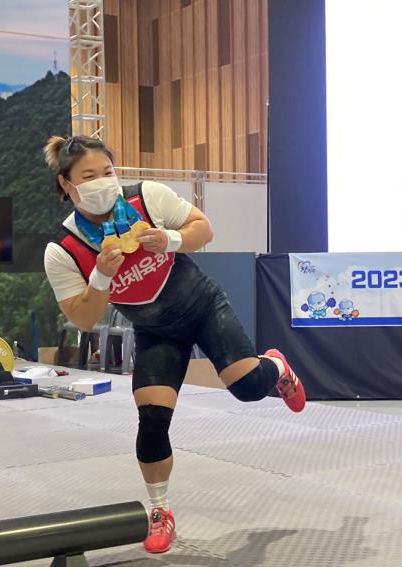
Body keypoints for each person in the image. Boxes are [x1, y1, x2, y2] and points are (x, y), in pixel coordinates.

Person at [43, 135, 306, 554]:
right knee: (151, 419)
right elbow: (84, 317)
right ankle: (160, 510)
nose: (102, 182)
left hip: (201, 305)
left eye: (107, 172)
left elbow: (204, 229)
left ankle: (276, 366)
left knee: (250, 388)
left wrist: (169, 239)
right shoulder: (64, 250)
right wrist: (101, 277)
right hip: (156, 331)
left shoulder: (147, 197)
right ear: (67, 185)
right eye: (88, 177)